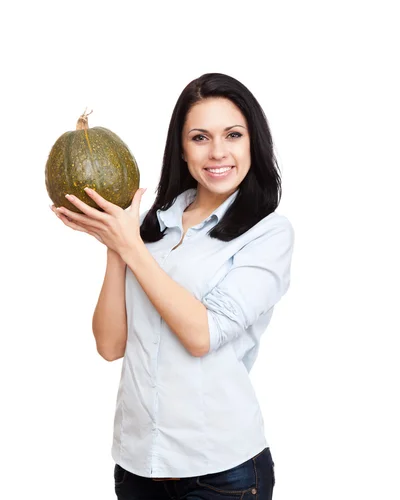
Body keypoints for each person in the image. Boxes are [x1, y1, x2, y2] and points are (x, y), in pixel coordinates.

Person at [51, 72, 295, 499]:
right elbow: (110, 346)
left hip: (223, 474)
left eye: (233, 135)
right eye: (200, 138)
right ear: (182, 151)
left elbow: (202, 335)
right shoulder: (152, 229)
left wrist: (131, 246)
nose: (218, 152)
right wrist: (116, 244)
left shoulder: (268, 234)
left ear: (252, 142)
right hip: (136, 467)